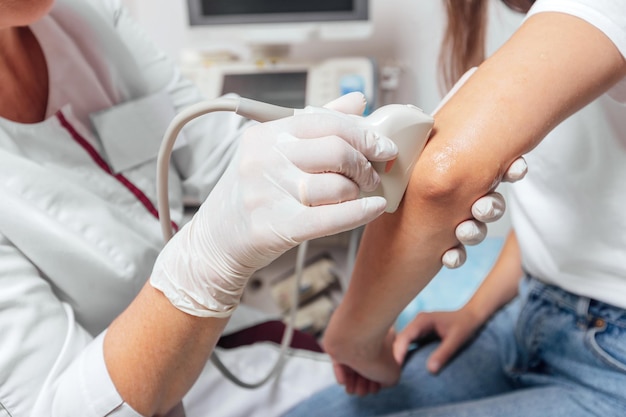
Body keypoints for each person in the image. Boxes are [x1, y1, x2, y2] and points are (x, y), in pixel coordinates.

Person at [0, 1, 512, 416]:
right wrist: (204, 263)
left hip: (237, 343)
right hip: (139, 387)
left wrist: (384, 159)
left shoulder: (86, 22)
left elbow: (219, 152)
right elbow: (57, 404)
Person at [285, 0, 626, 416]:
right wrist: (476, 309)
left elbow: (442, 178)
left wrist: (354, 335)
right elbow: (570, 212)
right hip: (530, 316)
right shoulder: (558, 29)